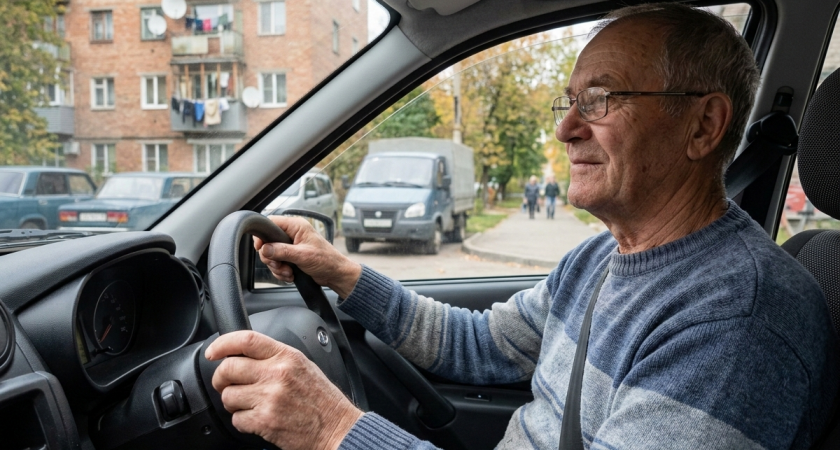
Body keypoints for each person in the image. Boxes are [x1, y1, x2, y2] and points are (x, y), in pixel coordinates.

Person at [204, 4, 839, 450]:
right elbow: (478, 345)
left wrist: (334, 431)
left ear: (703, 125)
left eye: (601, 99)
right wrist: (341, 273)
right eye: (570, 101)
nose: (565, 129)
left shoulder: (737, 320)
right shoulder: (599, 259)